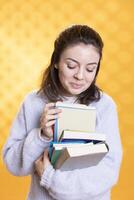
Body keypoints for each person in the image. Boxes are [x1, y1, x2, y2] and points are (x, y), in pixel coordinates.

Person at [3, 24, 122, 200]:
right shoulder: (33, 102)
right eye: (71, 65)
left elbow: (107, 172)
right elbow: (13, 165)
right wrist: (41, 136)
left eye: (90, 68)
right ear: (56, 62)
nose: (80, 76)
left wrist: (50, 178)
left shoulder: (104, 106)